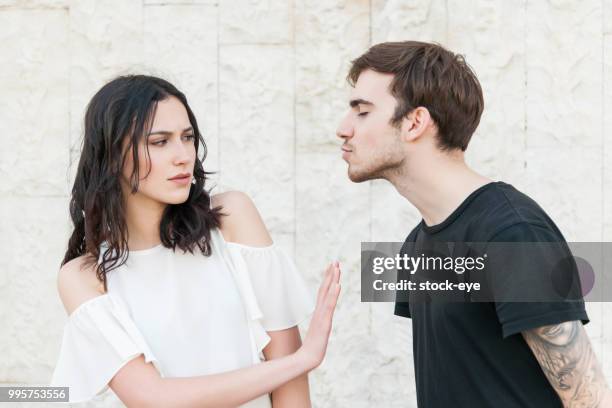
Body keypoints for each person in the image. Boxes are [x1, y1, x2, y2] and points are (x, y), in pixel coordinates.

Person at [337, 41, 612, 407]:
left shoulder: (512, 234)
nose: (343, 129)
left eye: (361, 112)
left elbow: (588, 398)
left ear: (415, 122)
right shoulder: (416, 244)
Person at [50, 75, 341, 407]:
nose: (183, 156)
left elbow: (291, 392)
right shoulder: (85, 277)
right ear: (113, 154)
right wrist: (300, 361)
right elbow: (153, 398)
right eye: (159, 142)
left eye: (187, 137)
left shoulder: (232, 218)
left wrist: (293, 365)